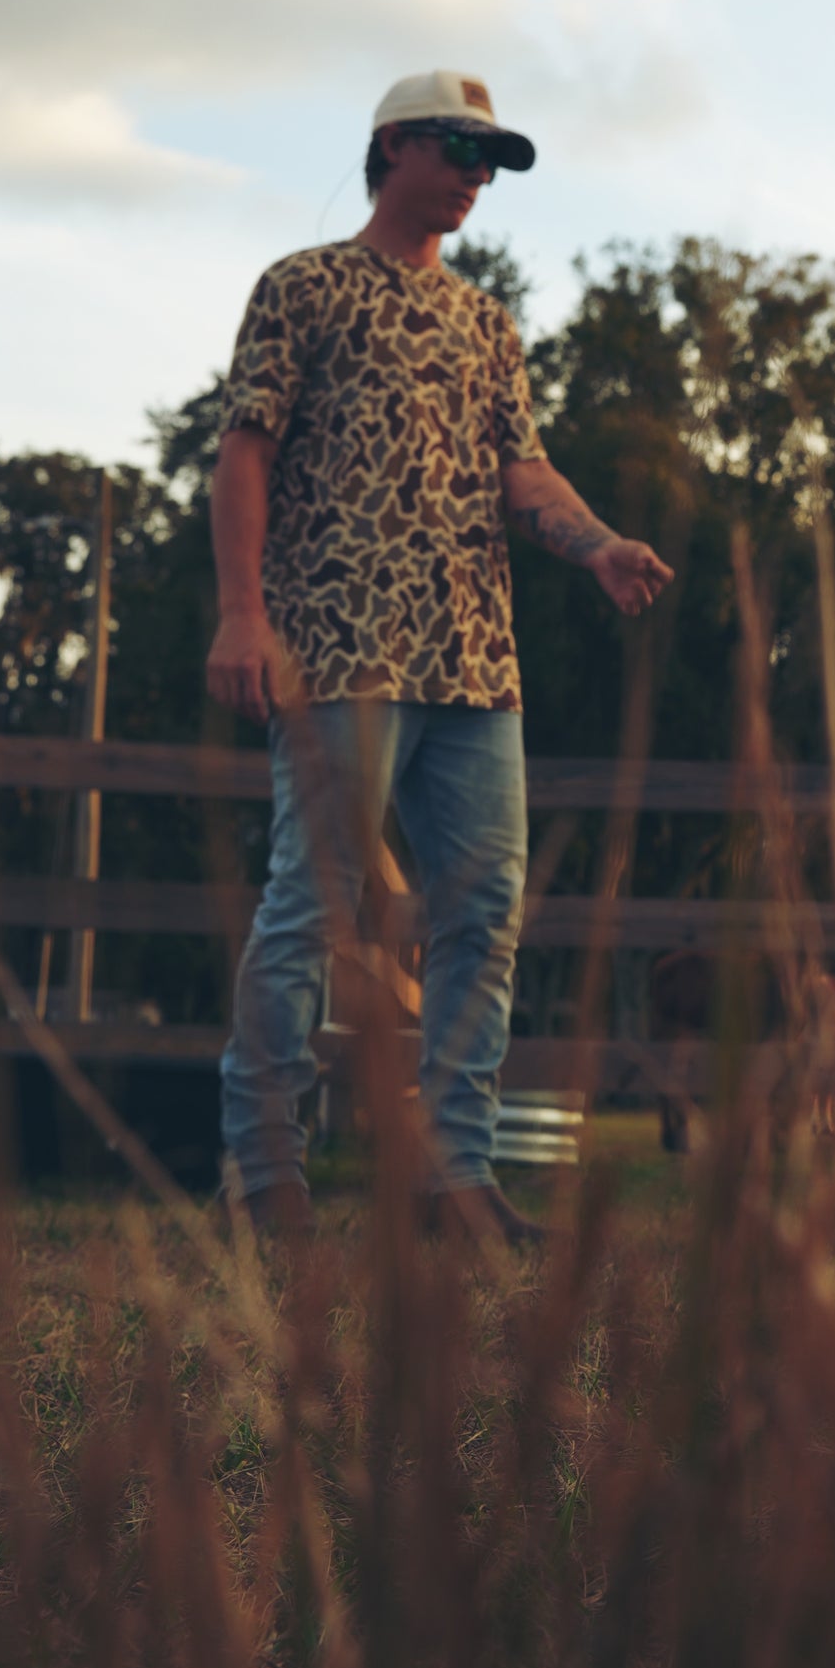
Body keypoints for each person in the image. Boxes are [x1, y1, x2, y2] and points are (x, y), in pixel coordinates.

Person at [206, 70, 672, 1240]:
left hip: (473, 662)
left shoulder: (486, 323)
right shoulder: (303, 286)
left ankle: (453, 1180)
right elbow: (245, 450)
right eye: (461, 152)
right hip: (336, 649)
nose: (477, 178)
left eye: (492, 162)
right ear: (393, 148)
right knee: (311, 906)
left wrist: (599, 546)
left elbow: (522, 470)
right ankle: (264, 1175)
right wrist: (240, 614)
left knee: (482, 918)